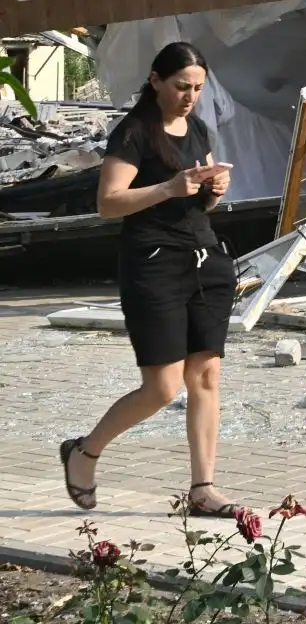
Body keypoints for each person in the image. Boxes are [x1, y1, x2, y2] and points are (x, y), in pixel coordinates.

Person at [60, 42, 240, 516]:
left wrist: (214, 191)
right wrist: (167, 187)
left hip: (204, 259)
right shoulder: (134, 132)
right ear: (156, 81)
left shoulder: (197, 127)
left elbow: (199, 200)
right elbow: (108, 202)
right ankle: (84, 452)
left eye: (198, 88)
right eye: (182, 86)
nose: (191, 96)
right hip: (153, 263)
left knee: (205, 375)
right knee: (162, 388)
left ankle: (203, 488)